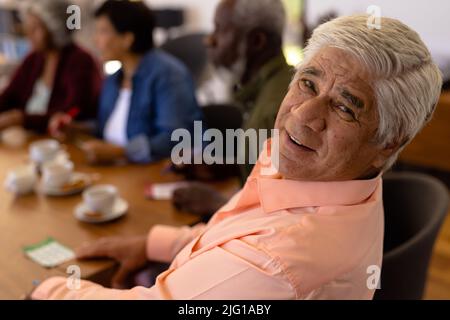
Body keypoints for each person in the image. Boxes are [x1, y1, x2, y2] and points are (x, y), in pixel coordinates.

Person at [31, 14, 442, 300]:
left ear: (389, 142)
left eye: (345, 108)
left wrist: (43, 288)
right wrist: (155, 242)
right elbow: (235, 235)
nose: (303, 115)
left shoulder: (274, 263)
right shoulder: (321, 174)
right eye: (307, 83)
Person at [172, 0, 293, 217]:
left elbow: (283, 213)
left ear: (256, 41)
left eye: (220, 29)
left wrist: (221, 203)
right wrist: (229, 166)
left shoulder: (273, 112)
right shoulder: (270, 88)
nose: (209, 40)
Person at [50, 0, 203, 164]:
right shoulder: (114, 78)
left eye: (103, 32)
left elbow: (174, 139)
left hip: (155, 174)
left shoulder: (169, 75)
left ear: (127, 39)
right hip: (119, 171)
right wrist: (75, 128)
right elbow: (108, 127)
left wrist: (120, 152)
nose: (96, 40)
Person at [0, 0, 102, 133]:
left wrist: (20, 119)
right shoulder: (34, 58)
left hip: (61, 142)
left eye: (36, 27)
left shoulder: (81, 61)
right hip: (28, 139)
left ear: (56, 28)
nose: (29, 34)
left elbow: (74, 110)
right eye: (28, 26)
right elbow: (10, 95)